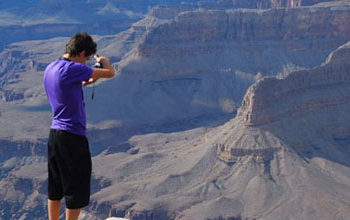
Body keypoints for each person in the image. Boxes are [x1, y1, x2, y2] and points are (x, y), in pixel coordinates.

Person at [43, 32, 115, 220]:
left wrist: (92, 72)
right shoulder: (72, 68)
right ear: (82, 53)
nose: (88, 61)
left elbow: (84, 82)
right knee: (77, 185)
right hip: (72, 136)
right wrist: (104, 62)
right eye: (88, 58)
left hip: (54, 135)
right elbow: (110, 73)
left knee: (56, 184)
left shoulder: (52, 67)